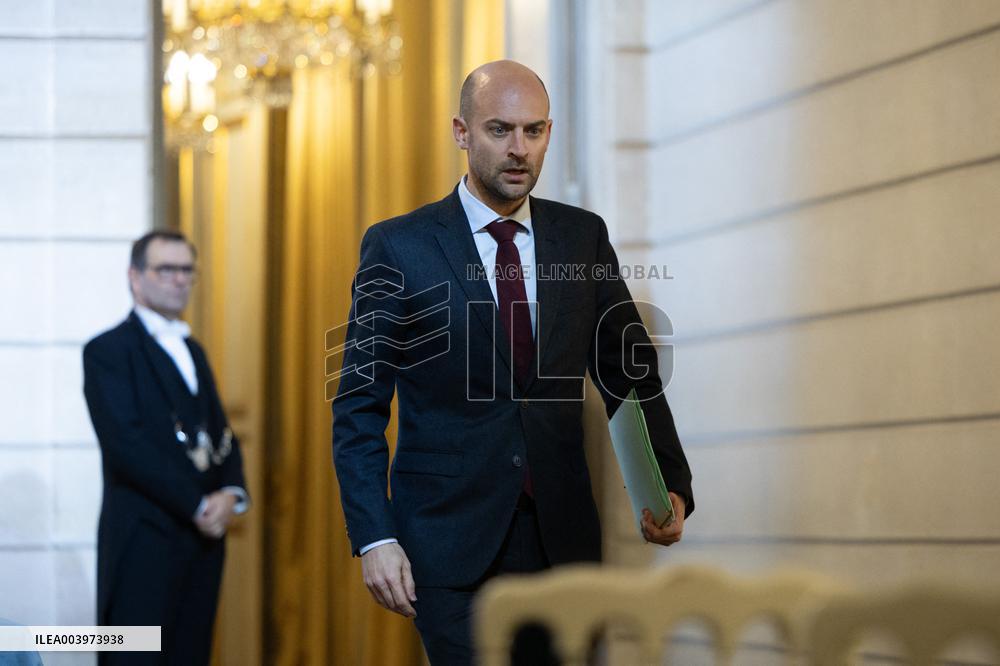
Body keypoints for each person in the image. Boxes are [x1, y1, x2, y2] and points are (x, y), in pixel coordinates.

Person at [331, 60, 693, 664]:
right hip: (449, 546)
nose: (519, 149)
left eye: (534, 131)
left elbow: (628, 371)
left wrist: (665, 483)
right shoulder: (400, 246)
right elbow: (359, 406)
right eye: (500, 130)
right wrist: (375, 535)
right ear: (462, 131)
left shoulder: (582, 237)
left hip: (563, 540)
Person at [83, 231, 249, 666]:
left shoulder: (193, 349)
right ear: (135, 278)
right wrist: (197, 503)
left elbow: (222, 433)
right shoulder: (107, 350)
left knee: (190, 655)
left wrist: (232, 494)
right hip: (143, 541)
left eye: (186, 270)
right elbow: (126, 444)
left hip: (202, 544)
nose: (178, 280)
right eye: (166, 270)